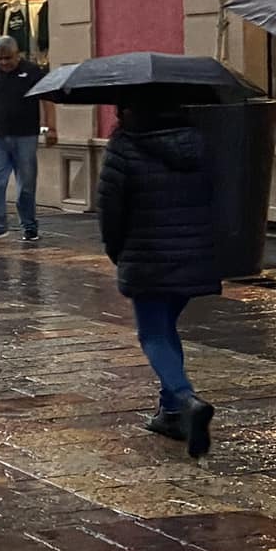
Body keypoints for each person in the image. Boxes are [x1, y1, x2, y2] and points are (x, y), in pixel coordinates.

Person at [98, 101, 220, 458]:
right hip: (192, 254)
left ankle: (185, 399)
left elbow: (110, 210)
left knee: (152, 334)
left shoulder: (124, 146)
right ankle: (170, 413)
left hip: (147, 256)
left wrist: (116, 251)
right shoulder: (198, 142)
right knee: (165, 329)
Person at [0, 35, 56, 241]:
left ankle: (29, 226)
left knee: (26, 185)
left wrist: (51, 128)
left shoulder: (32, 71)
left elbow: (47, 99)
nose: (4, 63)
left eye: (8, 58)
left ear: (17, 54)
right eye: (0, 58)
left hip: (25, 136)